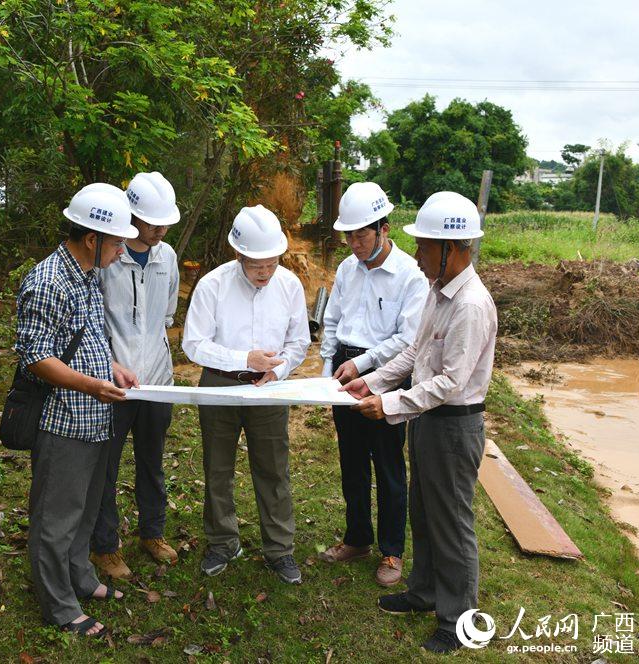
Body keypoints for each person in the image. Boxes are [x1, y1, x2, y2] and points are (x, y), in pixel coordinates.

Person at [341, 191, 498, 654]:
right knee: (424, 514)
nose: (420, 255)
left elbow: (450, 382)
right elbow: (414, 352)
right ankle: (425, 590)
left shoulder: (470, 304)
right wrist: (372, 383)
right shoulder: (437, 291)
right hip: (428, 421)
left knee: (451, 522)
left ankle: (459, 620)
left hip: (454, 425)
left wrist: (388, 406)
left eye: (427, 247)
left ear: (454, 248)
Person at [15, 185, 138, 637]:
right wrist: (91, 384)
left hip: (95, 417)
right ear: (92, 238)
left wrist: (115, 367)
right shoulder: (48, 281)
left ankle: (81, 578)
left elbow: (87, 340)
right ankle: (60, 606)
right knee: (56, 516)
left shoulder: (87, 275)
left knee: (86, 508)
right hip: (63, 419)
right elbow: (36, 356)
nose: (123, 248)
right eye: (119, 241)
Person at [182, 205, 310, 584]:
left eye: (271, 264)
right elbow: (193, 344)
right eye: (257, 266)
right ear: (238, 254)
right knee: (217, 467)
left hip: (270, 387)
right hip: (221, 383)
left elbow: (299, 340)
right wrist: (244, 358)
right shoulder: (213, 285)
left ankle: (280, 550)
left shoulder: (288, 285)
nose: (265, 273)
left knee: (273, 468)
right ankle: (222, 542)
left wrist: (280, 368)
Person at [319, 182, 428, 586]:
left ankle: (392, 552)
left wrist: (362, 365)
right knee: (351, 461)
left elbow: (408, 339)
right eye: (348, 235)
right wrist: (326, 365)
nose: (354, 243)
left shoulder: (410, 276)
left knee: (388, 465)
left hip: (388, 374)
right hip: (344, 370)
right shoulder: (347, 268)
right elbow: (332, 320)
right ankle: (357, 538)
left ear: (384, 228)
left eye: (361, 235)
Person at [91, 173, 181, 579]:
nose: (160, 231)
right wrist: (109, 364)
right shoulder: (106, 258)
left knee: (152, 460)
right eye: (152, 223)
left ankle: (152, 532)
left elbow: (165, 316)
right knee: (105, 465)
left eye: (165, 224)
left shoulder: (168, 257)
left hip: (157, 379)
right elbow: (93, 319)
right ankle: (104, 545)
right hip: (112, 383)